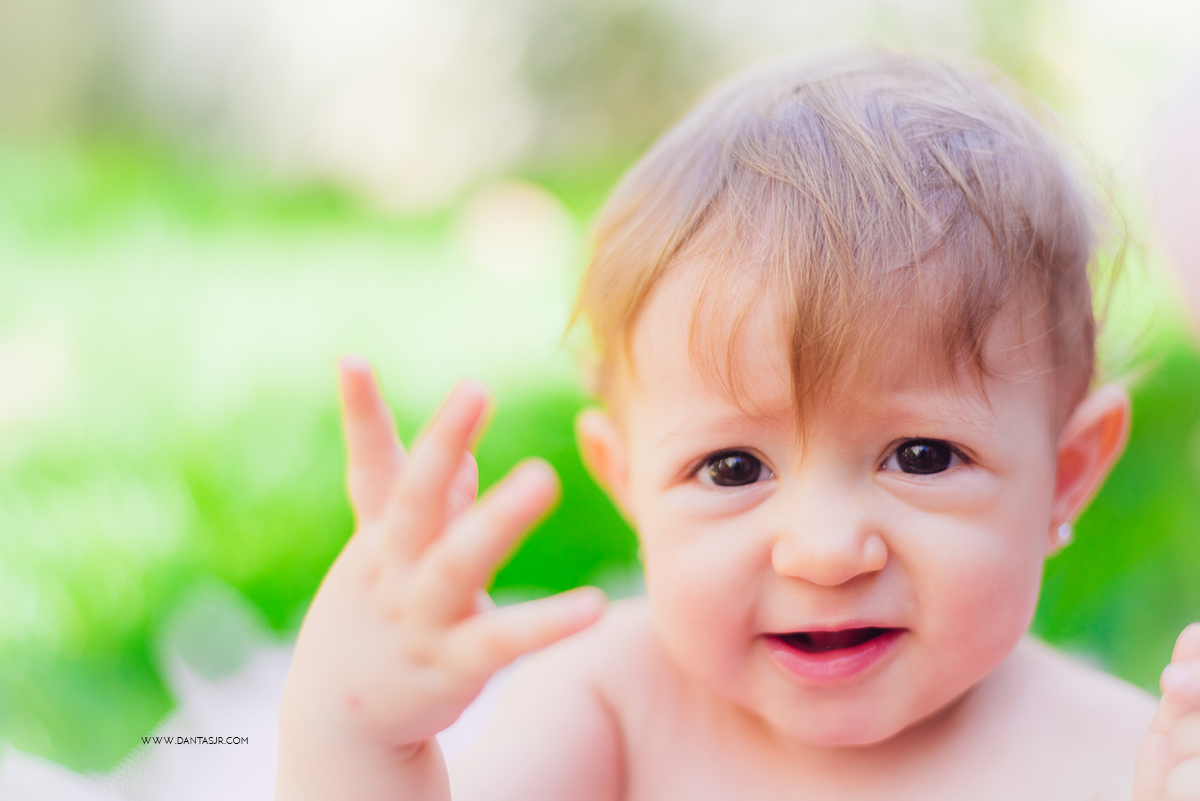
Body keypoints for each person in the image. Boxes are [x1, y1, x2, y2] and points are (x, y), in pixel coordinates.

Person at [274, 49, 1200, 801]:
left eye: (921, 455)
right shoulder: (611, 707)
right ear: (625, 477)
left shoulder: (1123, 762)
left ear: (1067, 471)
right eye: (731, 467)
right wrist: (355, 738)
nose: (826, 551)